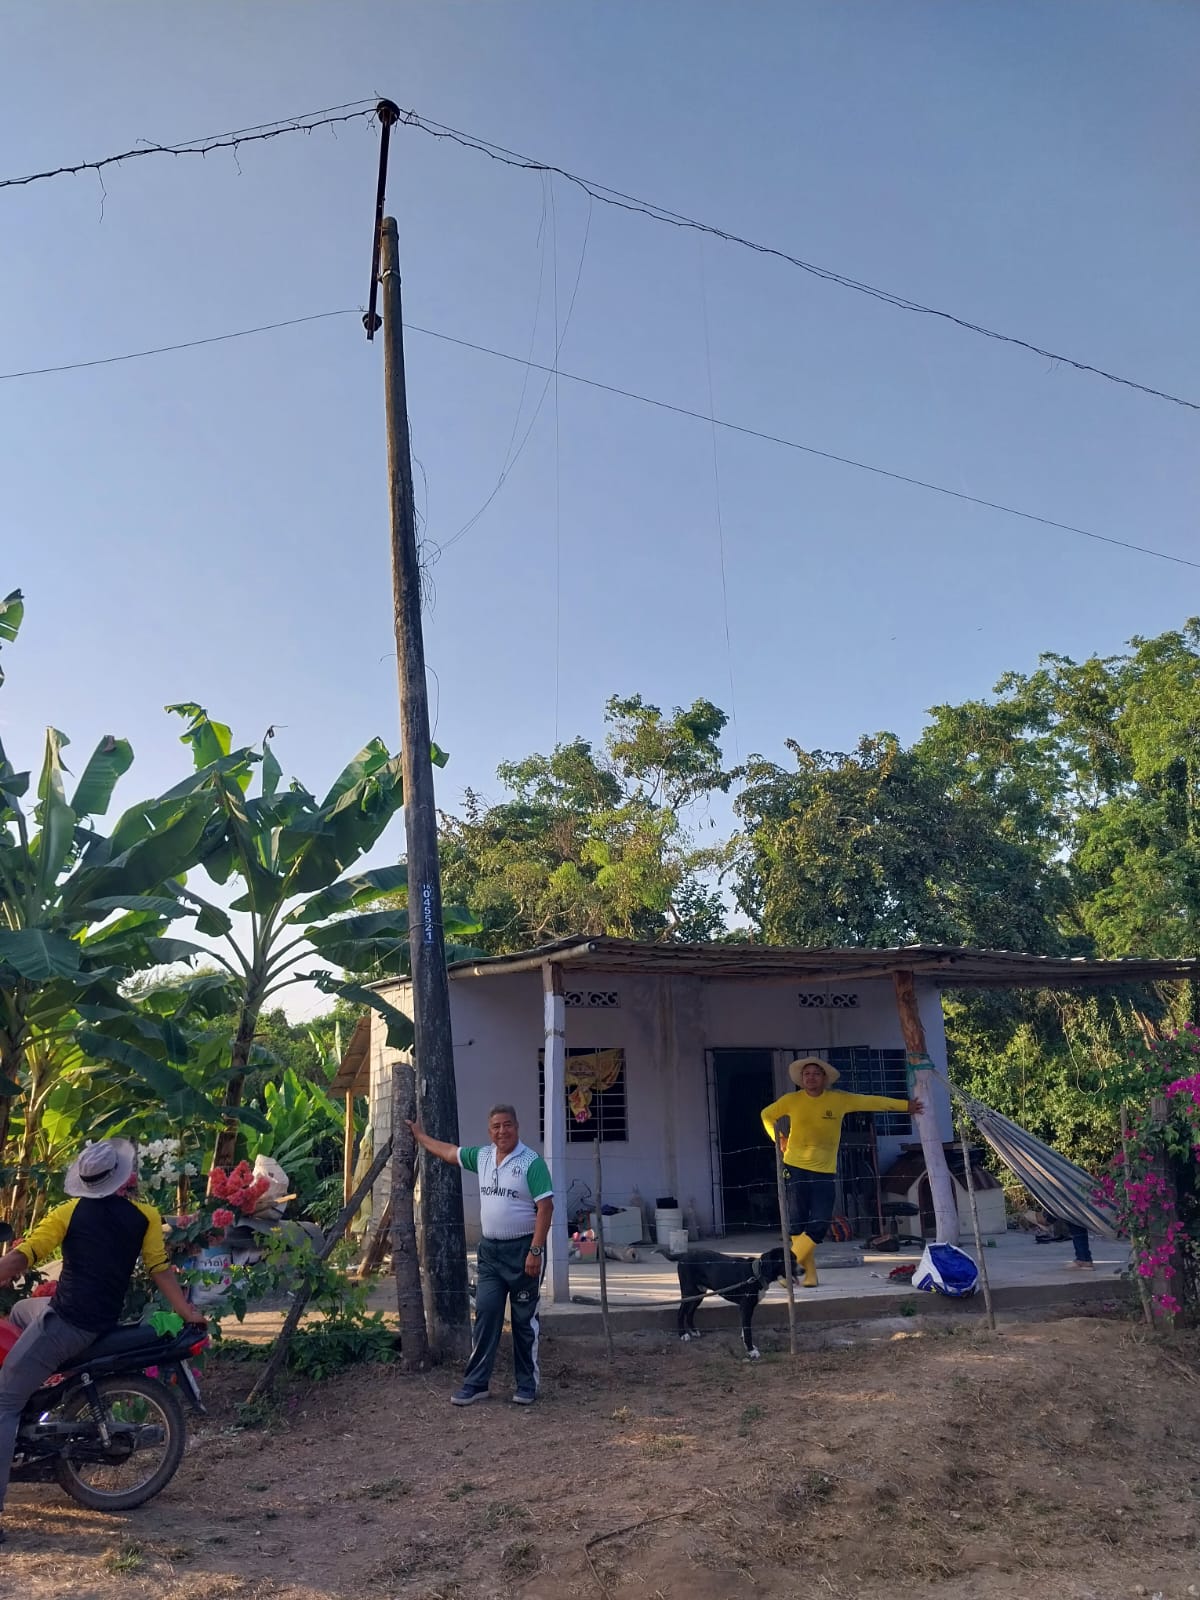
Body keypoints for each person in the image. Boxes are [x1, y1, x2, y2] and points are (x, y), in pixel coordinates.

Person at [0, 1138, 204, 1543]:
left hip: (67, 1324)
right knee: (22, 1311)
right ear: (121, 1177)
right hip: (99, 1318)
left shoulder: (68, 1213)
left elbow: (26, 1255)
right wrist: (187, 1311)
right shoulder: (144, 1216)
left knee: (3, 1402)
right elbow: (159, 1268)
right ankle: (36, 1394)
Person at [408, 1103, 553, 1407]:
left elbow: (545, 1207)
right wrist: (420, 1136)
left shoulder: (531, 1162)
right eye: (496, 1126)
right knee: (486, 1313)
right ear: (489, 1131)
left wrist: (536, 1250)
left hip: (524, 1251)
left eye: (507, 1125)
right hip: (490, 1254)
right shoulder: (483, 1157)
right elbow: (450, 1153)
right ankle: (476, 1383)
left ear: (517, 1127)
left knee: (524, 1320)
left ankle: (526, 1384)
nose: (502, 1131)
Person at [761, 1058, 925, 1289]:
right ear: (801, 1079)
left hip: (824, 1171)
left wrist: (905, 1106)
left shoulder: (839, 1099)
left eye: (816, 1073)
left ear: (824, 1078)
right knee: (797, 1223)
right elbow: (766, 1115)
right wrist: (779, 1138)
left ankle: (785, 1269)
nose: (811, 1077)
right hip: (795, 1167)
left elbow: (872, 1102)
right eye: (807, 1074)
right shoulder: (791, 1100)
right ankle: (809, 1275)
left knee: (819, 1223)